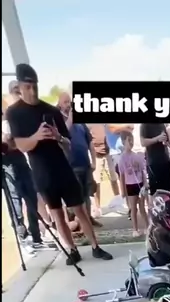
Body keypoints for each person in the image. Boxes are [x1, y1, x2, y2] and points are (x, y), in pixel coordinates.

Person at [6, 64, 112, 266]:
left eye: (35, 86)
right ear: (20, 87)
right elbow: (21, 145)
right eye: (28, 87)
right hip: (42, 172)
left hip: (63, 168)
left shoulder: (51, 110)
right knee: (57, 214)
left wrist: (58, 137)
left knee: (80, 209)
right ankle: (72, 250)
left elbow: (68, 144)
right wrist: (37, 136)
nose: (33, 91)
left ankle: (95, 247)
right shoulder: (14, 113)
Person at [2, 82, 45, 251]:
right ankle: (23, 237)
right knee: (15, 200)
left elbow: (23, 140)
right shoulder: (6, 113)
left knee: (31, 196)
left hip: (21, 159)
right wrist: (12, 142)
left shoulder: (20, 114)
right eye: (15, 90)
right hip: (7, 163)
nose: (18, 93)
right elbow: (7, 143)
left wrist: (16, 141)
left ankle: (36, 236)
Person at [57, 91, 98, 223]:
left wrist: (94, 160)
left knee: (87, 194)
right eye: (65, 102)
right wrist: (70, 118)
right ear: (59, 104)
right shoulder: (58, 119)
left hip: (85, 163)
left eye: (69, 102)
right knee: (76, 196)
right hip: (71, 165)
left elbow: (89, 141)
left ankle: (89, 219)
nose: (68, 105)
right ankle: (79, 222)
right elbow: (62, 134)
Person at [117, 131, 148, 237]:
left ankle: (147, 227)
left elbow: (142, 171)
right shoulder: (122, 159)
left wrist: (145, 184)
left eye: (132, 140)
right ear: (123, 142)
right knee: (133, 208)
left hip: (140, 184)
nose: (131, 142)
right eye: (128, 140)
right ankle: (135, 229)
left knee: (142, 207)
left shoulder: (137, 156)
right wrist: (123, 190)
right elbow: (122, 175)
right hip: (130, 185)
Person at [88, 123, 120, 213]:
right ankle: (98, 207)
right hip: (96, 154)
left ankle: (118, 202)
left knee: (114, 178)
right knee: (97, 181)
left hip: (108, 152)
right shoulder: (89, 125)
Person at [140, 123, 170, 193]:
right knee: (156, 191)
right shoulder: (145, 125)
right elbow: (143, 142)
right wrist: (157, 139)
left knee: (169, 189)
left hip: (165, 160)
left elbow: (166, 138)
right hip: (153, 162)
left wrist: (166, 139)